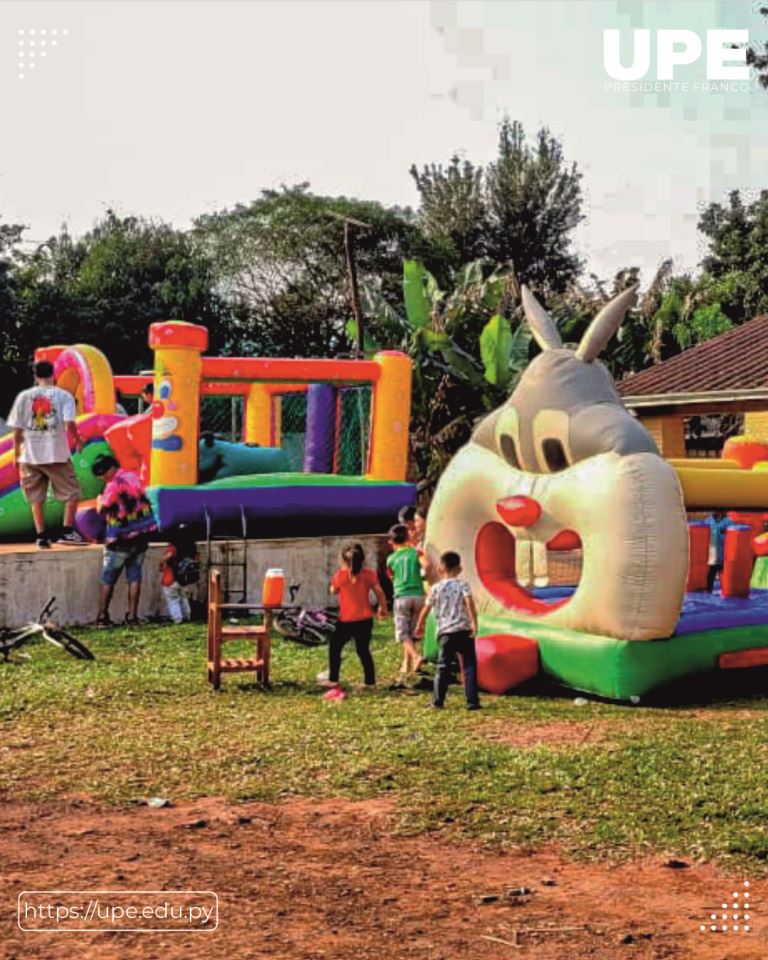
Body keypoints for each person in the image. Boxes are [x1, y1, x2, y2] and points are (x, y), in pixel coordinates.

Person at [7, 360, 85, 548]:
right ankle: (66, 531)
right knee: (72, 492)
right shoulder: (64, 396)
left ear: (35, 376)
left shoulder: (24, 397)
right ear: (54, 375)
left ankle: (41, 536)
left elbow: (17, 431)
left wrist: (17, 455)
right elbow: (69, 423)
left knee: (36, 497)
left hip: (30, 455)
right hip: (56, 454)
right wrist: (78, 439)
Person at [92, 453, 157, 626]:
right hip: (142, 536)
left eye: (103, 476)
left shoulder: (113, 485)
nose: (104, 479)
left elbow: (102, 508)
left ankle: (102, 616)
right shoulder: (134, 476)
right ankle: (132, 616)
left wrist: (98, 499)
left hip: (121, 540)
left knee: (108, 577)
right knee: (134, 577)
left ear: (108, 470)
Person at [415, 550, 481, 710]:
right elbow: (469, 603)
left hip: (445, 633)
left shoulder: (436, 588)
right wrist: (474, 623)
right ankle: (472, 701)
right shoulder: (463, 585)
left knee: (443, 667)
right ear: (459, 569)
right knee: (469, 666)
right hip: (463, 630)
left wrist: (419, 624)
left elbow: (426, 607)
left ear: (440, 568)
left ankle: (438, 701)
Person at [325, 543, 388, 688]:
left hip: (346, 620)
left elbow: (334, 591)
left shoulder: (340, 576)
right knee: (363, 651)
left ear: (343, 561)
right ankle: (370, 682)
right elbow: (379, 592)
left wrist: (340, 577)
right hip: (365, 620)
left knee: (335, 647)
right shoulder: (368, 574)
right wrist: (382, 608)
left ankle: (333, 679)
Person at [386, 523, 426, 685]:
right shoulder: (416, 553)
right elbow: (427, 565)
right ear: (408, 538)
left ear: (391, 542)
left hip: (402, 596)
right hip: (418, 596)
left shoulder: (390, 559)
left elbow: (391, 577)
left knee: (403, 634)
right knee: (413, 631)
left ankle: (416, 657)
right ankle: (408, 663)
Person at [159, 525, 199, 624]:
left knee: (173, 600)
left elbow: (167, 557)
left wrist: (160, 564)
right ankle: (187, 616)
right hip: (183, 580)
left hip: (171, 578)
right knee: (183, 599)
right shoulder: (191, 547)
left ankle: (178, 619)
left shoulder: (173, 547)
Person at [705, 510, 732, 593]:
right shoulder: (708, 521)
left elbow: (732, 536)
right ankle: (709, 591)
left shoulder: (728, 522)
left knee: (724, 576)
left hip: (723, 555)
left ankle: (726, 591)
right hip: (711, 555)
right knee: (710, 575)